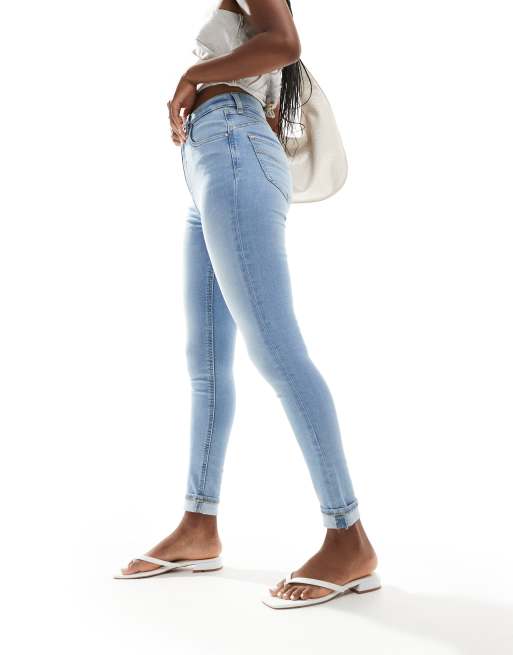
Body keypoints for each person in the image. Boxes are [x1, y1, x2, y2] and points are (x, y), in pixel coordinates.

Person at [115, 0, 380, 609]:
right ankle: (198, 526)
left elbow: (284, 42)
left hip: (232, 150)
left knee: (277, 351)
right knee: (206, 362)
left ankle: (349, 537)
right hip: (212, 161)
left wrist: (193, 75)